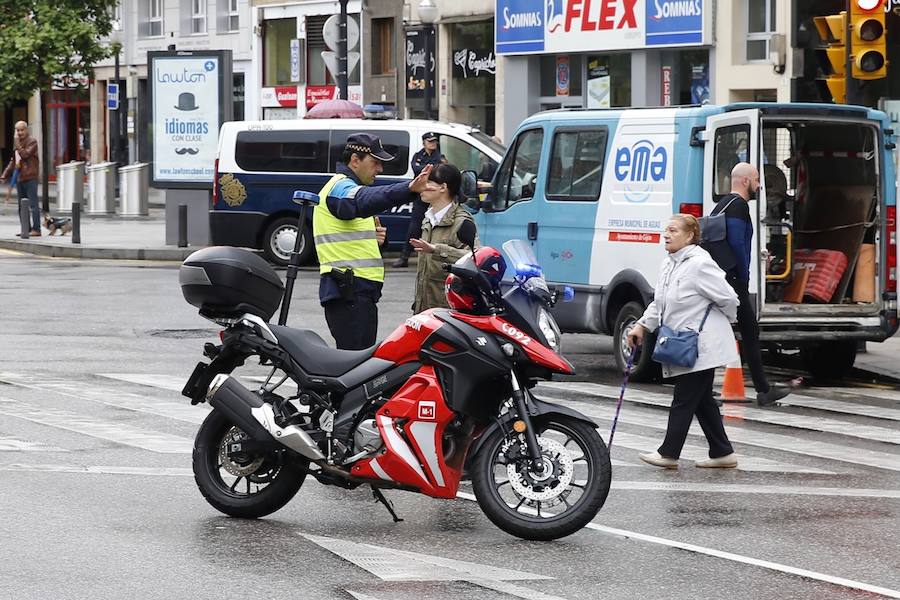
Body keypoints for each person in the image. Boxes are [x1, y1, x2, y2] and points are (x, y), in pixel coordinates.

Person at [627, 214, 741, 469]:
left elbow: (729, 298)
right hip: (684, 341)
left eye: (673, 230)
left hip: (703, 344)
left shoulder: (700, 264)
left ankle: (669, 453)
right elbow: (659, 302)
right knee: (702, 400)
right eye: (665, 230)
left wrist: (728, 322)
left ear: (690, 236)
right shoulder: (669, 264)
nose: (666, 235)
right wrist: (642, 326)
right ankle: (723, 452)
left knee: (684, 398)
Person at [314, 133, 432, 350]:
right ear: (355, 161)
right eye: (375, 162)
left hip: (357, 292)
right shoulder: (340, 187)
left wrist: (378, 240)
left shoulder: (347, 188)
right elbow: (363, 200)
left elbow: (352, 234)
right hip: (349, 292)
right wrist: (408, 189)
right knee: (355, 368)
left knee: (358, 364)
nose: (380, 169)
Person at [713, 162, 791, 407]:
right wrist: (743, 277)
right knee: (746, 332)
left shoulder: (723, 204)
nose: (760, 185)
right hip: (733, 280)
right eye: (757, 180)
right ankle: (762, 390)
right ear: (746, 181)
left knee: (744, 331)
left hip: (722, 278)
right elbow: (737, 244)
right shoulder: (739, 207)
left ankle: (762, 389)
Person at [410, 163, 480, 313]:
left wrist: (437, 250)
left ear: (443, 187)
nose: (422, 186)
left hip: (447, 311)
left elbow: (475, 258)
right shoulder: (428, 217)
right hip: (424, 310)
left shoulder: (461, 221)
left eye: (428, 182)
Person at [393, 132, 447, 268]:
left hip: (436, 197)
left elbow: (440, 171)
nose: (433, 144)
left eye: (434, 141)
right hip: (422, 196)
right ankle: (404, 257)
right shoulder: (418, 155)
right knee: (415, 227)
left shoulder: (440, 157)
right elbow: (416, 169)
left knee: (440, 226)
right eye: (430, 141)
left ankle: (439, 256)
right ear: (424, 143)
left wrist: (427, 169)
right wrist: (431, 168)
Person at [1, 122, 40, 237]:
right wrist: (4, 174)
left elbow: (25, 155)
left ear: (26, 130)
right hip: (20, 178)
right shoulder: (18, 144)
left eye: (22, 130)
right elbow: (14, 161)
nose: (20, 133)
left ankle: (36, 229)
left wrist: (17, 144)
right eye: (17, 130)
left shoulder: (32, 141)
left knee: (33, 205)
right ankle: (25, 229)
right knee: (22, 206)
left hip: (30, 177)